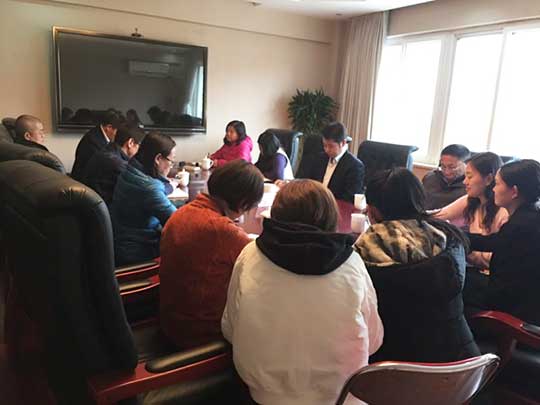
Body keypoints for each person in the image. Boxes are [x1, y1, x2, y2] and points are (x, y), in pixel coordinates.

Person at [222, 179, 383, 405]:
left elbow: (230, 329)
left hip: (264, 396)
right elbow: (374, 341)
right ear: (330, 217)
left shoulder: (250, 255)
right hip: (341, 397)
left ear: (276, 214)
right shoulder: (352, 263)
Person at [355, 168, 479, 363]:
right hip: (461, 366)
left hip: (394, 368)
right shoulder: (449, 238)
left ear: (373, 210)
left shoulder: (365, 249)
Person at [160, 161, 264, 348]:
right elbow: (258, 263)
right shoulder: (222, 230)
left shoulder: (182, 212)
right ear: (243, 203)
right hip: (200, 333)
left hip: (169, 319)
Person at [466, 160, 540, 325]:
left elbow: (492, 243)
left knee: (451, 286)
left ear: (514, 192)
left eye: (498, 184)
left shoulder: (521, 224)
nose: (493, 189)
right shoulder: (531, 215)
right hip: (522, 298)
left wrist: (456, 235)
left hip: (514, 307)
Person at [111, 131, 177, 265]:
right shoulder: (149, 187)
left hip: (121, 242)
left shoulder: (130, 169)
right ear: (158, 159)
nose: (171, 167)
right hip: (139, 251)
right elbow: (177, 221)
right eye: (171, 161)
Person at [435, 152, 508, 269]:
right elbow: (439, 215)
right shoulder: (472, 200)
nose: (465, 182)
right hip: (473, 267)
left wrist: (462, 247)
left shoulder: (503, 211)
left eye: (469, 177)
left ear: (488, 179)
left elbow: (499, 256)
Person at [296, 122, 364, 204]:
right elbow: (307, 181)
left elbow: (349, 199)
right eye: (324, 145)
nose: (326, 149)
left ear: (343, 143)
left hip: (335, 207)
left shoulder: (355, 166)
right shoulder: (319, 159)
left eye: (331, 146)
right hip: (315, 204)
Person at [82, 126, 146, 206]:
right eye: (139, 145)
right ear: (130, 143)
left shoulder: (106, 150)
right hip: (106, 208)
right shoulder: (117, 164)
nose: (139, 150)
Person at [71, 110, 123, 181]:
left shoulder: (98, 134)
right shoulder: (93, 141)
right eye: (117, 131)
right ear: (109, 127)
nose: (118, 134)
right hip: (84, 182)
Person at [423, 144, 470, 209]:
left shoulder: (470, 185)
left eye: (452, 167)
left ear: (467, 164)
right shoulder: (430, 178)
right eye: (443, 166)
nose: (447, 172)